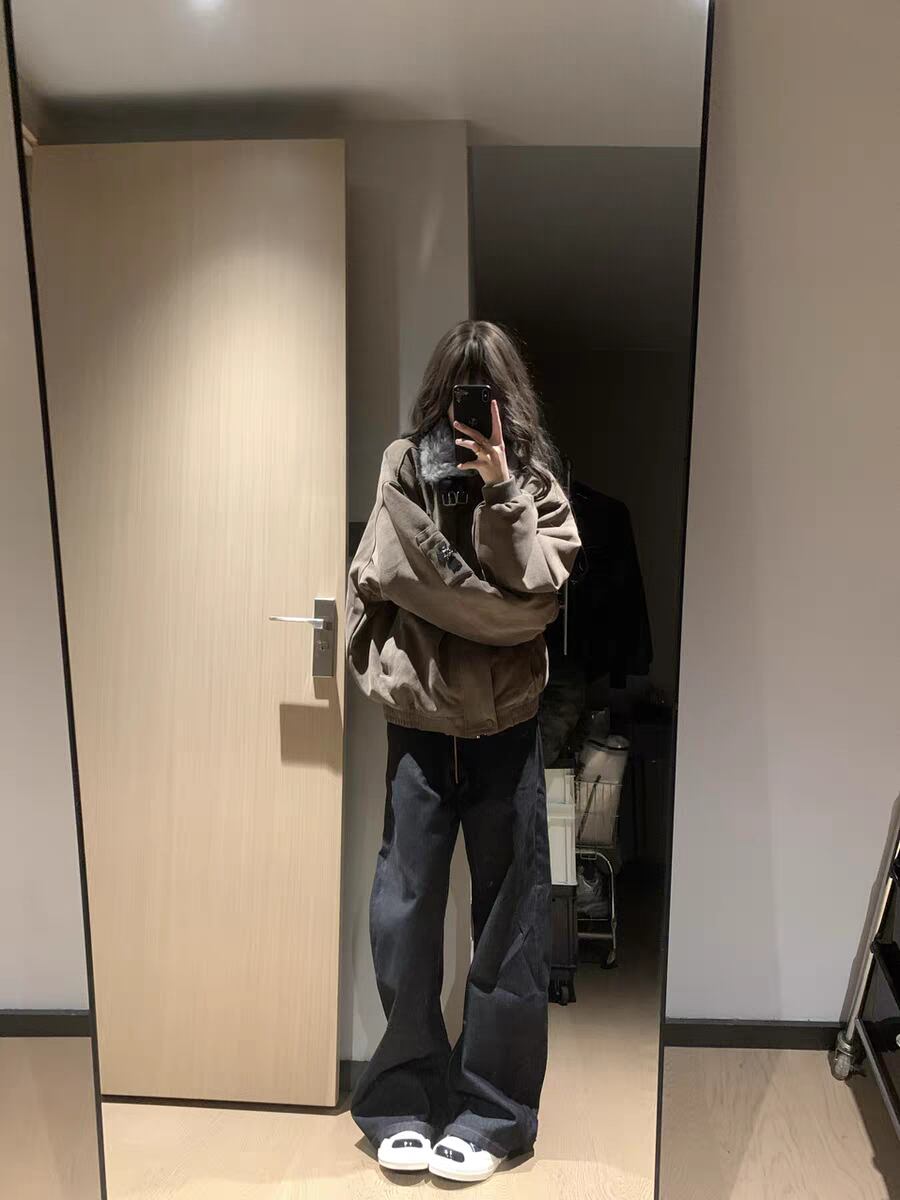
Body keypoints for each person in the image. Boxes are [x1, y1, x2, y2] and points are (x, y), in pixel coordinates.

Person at [345, 320, 580, 1183]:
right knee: (404, 918)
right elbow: (387, 577)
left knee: (510, 925)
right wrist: (499, 613)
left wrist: (503, 491)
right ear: (437, 395)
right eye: (457, 393)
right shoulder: (403, 466)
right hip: (419, 730)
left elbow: (539, 590)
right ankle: (401, 1100)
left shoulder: (536, 485)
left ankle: (492, 1111)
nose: (470, 412)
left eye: (486, 396)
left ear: (510, 403)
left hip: (504, 732)